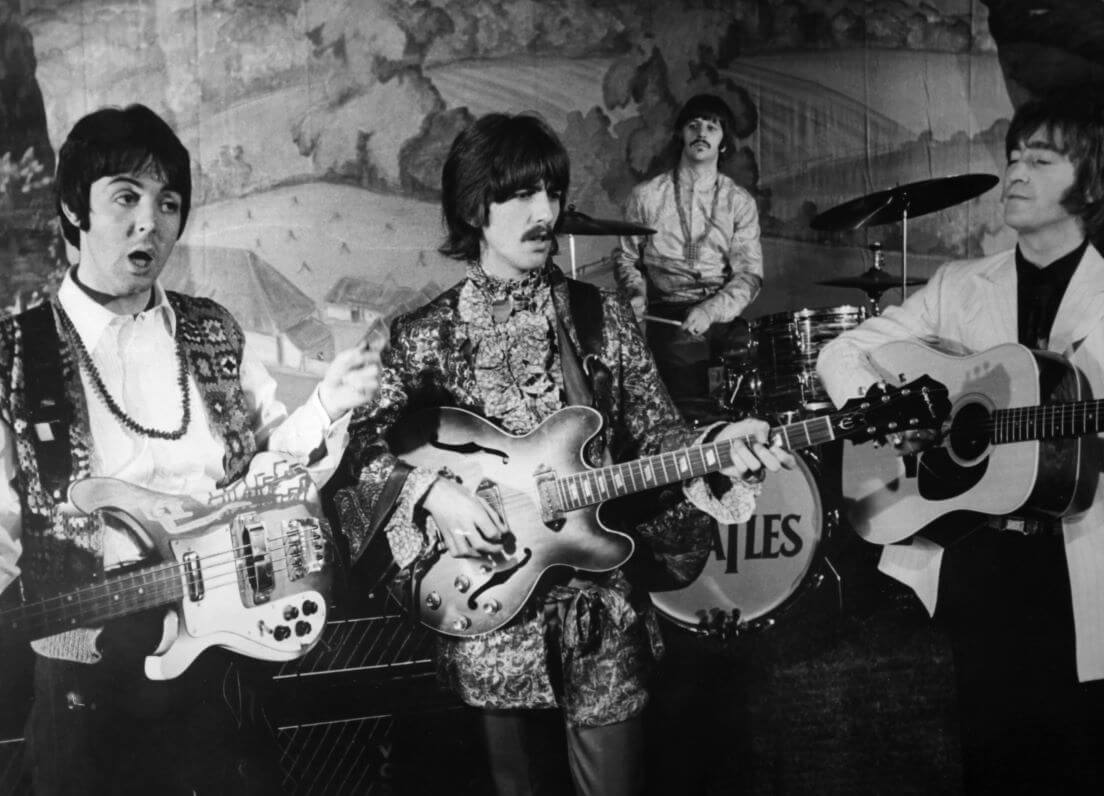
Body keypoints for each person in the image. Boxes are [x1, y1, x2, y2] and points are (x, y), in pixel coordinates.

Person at [332, 112, 793, 796]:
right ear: (473, 208)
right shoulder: (423, 336)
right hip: (489, 601)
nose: (544, 212)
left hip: (598, 611)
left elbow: (656, 436)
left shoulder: (598, 316)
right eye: (520, 195)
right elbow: (357, 450)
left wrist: (712, 448)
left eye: (551, 193)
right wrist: (429, 493)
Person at [816, 90, 1104, 794]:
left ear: (1092, 182)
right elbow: (841, 356)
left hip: (1089, 570)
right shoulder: (957, 286)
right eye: (1014, 156)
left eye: (1040, 159)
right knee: (994, 768)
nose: (1014, 173)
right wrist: (891, 415)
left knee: (1097, 771)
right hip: (976, 565)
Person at [0, 103, 382, 795]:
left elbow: (270, 474)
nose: (151, 221)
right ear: (73, 210)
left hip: (227, 664)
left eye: (168, 202)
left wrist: (328, 403)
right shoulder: (14, 355)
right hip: (87, 684)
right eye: (125, 197)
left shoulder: (214, 330)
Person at [613, 93, 763, 414]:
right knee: (685, 387)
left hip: (723, 317)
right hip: (667, 319)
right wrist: (635, 294)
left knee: (751, 371)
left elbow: (749, 275)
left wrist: (711, 310)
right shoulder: (647, 197)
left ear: (723, 142)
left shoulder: (739, 202)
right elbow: (626, 258)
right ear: (680, 134)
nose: (701, 133)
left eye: (712, 127)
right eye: (693, 125)